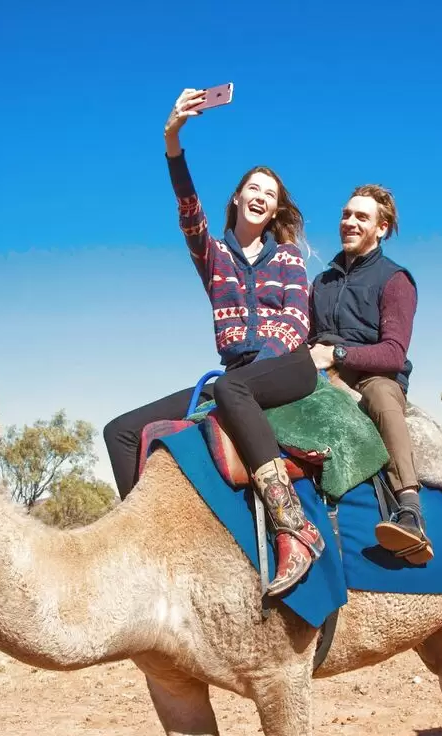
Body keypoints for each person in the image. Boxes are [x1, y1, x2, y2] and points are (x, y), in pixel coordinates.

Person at [104, 88, 322, 596]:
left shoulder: (288, 258)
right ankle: (148, 546)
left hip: (288, 364)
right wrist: (172, 137)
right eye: (253, 186)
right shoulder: (214, 255)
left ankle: (294, 526)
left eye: (270, 191)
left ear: (274, 210)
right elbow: (188, 209)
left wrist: (248, 374)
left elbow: (295, 323)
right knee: (119, 431)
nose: (261, 194)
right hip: (237, 375)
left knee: (231, 391)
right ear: (238, 198)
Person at [308, 184, 432, 564]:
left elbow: (394, 353)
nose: (350, 222)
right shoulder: (322, 282)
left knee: (379, 394)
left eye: (362, 217)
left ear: (382, 227)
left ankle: (409, 510)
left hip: (375, 377)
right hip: (323, 373)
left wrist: (338, 354)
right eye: (346, 215)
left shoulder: (396, 280)